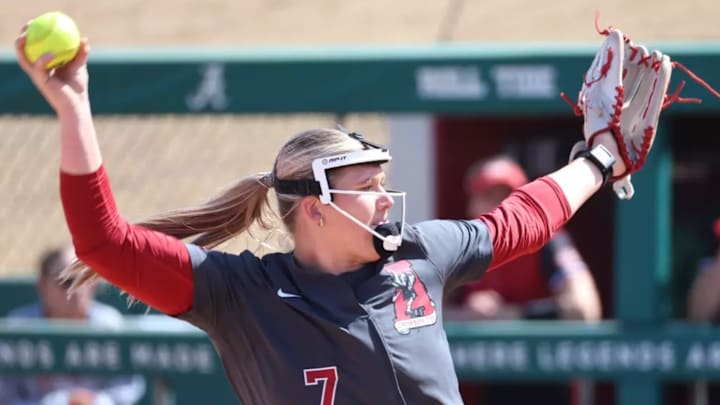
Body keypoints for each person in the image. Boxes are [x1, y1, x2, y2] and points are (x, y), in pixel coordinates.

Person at [15, 29, 638, 405]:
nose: (387, 197)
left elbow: (517, 221)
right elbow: (103, 242)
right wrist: (75, 109)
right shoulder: (240, 293)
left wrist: (599, 158)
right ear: (314, 208)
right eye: (368, 186)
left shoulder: (418, 254)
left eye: (384, 182)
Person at [446, 156, 602, 405]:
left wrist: (513, 316)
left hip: (547, 382)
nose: (499, 208)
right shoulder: (462, 246)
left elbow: (583, 310)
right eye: (488, 196)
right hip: (490, 385)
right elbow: (419, 311)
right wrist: (466, 315)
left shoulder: (549, 242)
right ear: (472, 204)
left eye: (506, 197)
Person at [0, 246, 146, 405]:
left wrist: (97, 401)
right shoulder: (20, 328)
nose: (79, 289)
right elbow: (6, 393)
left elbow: (129, 384)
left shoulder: (110, 325)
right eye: (67, 281)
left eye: (86, 279)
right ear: (42, 287)